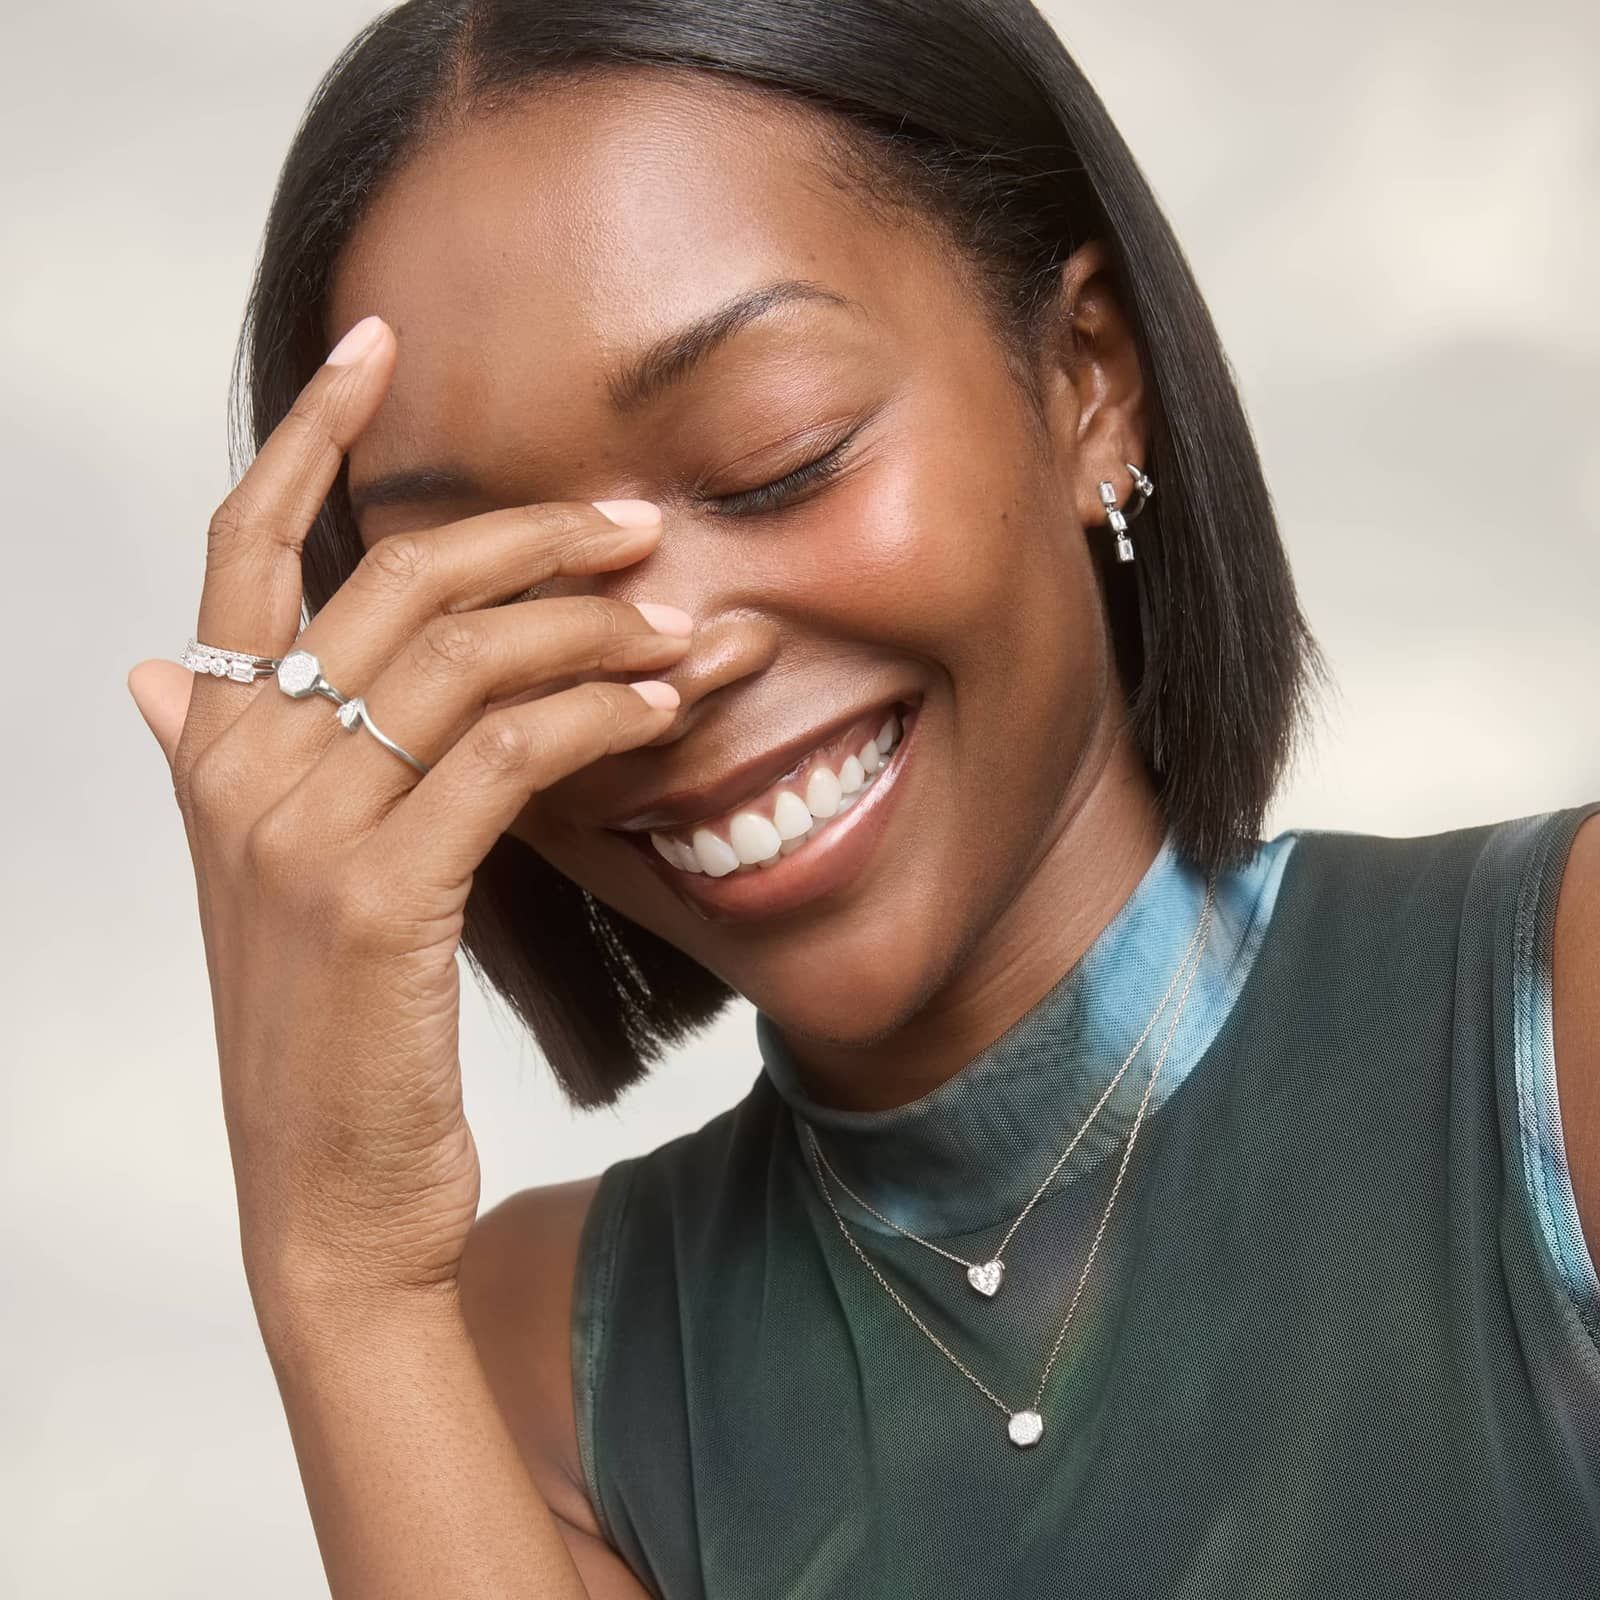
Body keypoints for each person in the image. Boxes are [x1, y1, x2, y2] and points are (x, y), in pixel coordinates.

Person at [125, 1, 1600, 1595]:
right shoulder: (527, 1365)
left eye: (776, 458)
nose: (659, 664)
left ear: (1086, 384)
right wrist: (335, 1268)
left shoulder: (1549, 1027)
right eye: (500, 597)